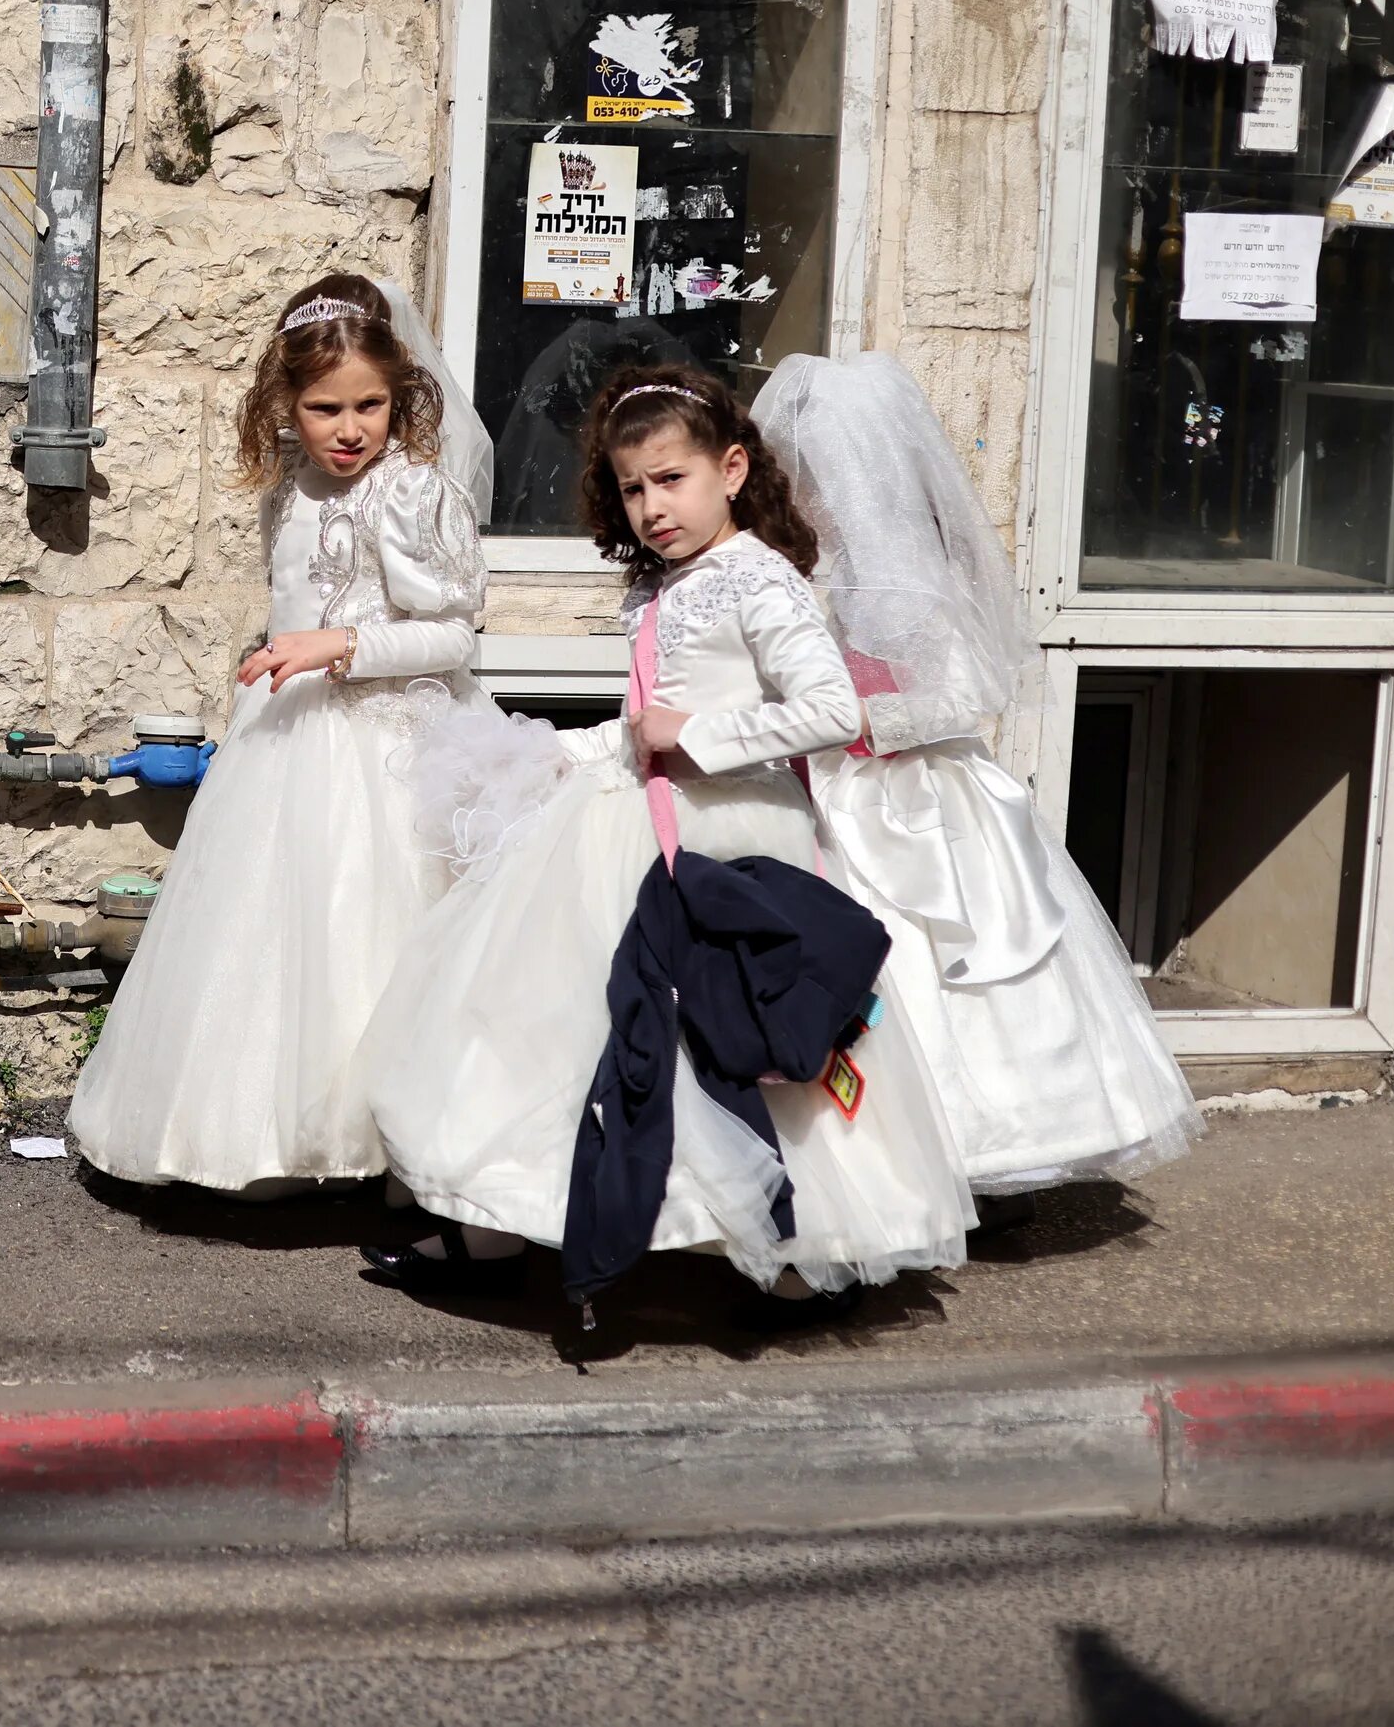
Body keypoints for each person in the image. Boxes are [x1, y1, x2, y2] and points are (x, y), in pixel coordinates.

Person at [359, 365, 975, 1301]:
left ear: (731, 470)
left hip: (727, 838)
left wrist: (701, 739)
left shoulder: (761, 581)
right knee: (564, 1022)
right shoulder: (662, 585)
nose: (651, 506)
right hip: (638, 828)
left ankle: (790, 1245)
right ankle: (507, 1222)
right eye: (632, 487)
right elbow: (650, 716)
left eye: (671, 479)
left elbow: (828, 707)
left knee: (726, 1031)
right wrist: (567, 750)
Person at [66, 274, 495, 1194]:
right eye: (324, 408)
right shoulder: (289, 493)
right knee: (270, 942)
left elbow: (456, 630)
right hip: (288, 742)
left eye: (371, 406)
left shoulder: (411, 492)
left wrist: (341, 644)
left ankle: (396, 1149)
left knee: (375, 934)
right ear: (284, 405)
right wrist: (282, 655)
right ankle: (258, 1139)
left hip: (389, 743)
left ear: (401, 395)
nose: (350, 429)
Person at [756, 352, 1201, 1194]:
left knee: (953, 966)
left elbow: (963, 693)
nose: (803, 493)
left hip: (920, 804)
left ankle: (974, 1153)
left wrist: (854, 722)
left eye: (814, 477)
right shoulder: (822, 578)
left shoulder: (911, 583)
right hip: (838, 794)